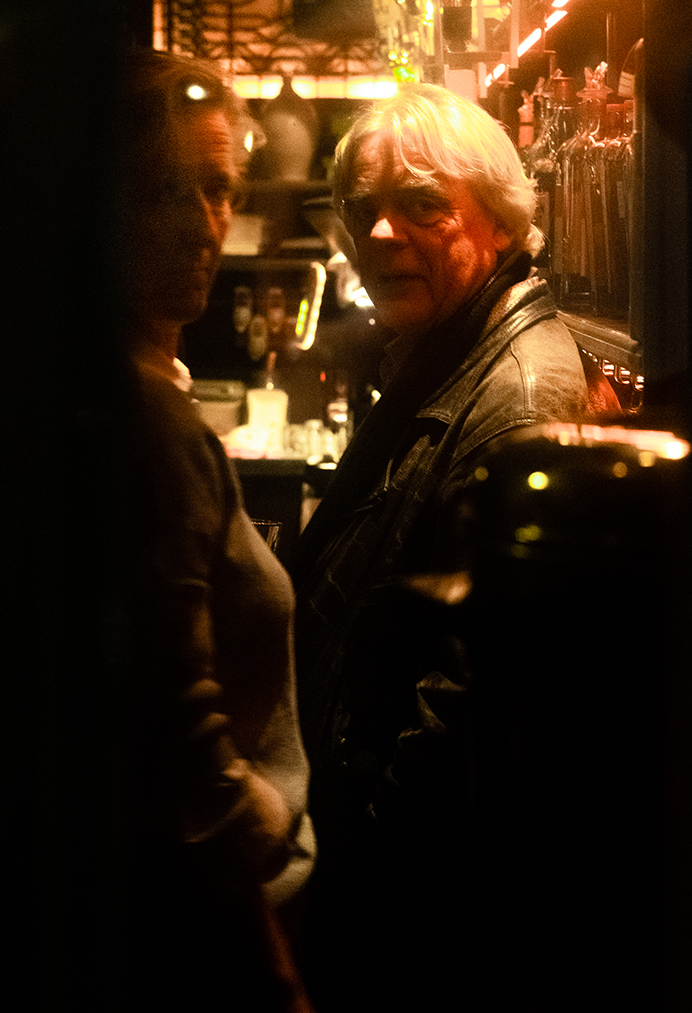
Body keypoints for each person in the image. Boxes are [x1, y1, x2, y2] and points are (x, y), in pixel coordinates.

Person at [290, 82, 589, 1011]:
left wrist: (362, 871)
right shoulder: (447, 355)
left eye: (422, 206)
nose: (381, 235)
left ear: (499, 222)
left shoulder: (518, 396)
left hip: (410, 911)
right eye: (363, 211)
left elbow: (472, 690)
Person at [118, 49, 315, 1010]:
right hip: (212, 934)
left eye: (221, 190)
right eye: (173, 190)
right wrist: (269, 962)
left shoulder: (150, 389)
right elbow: (180, 744)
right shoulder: (148, 422)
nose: (206, 224)